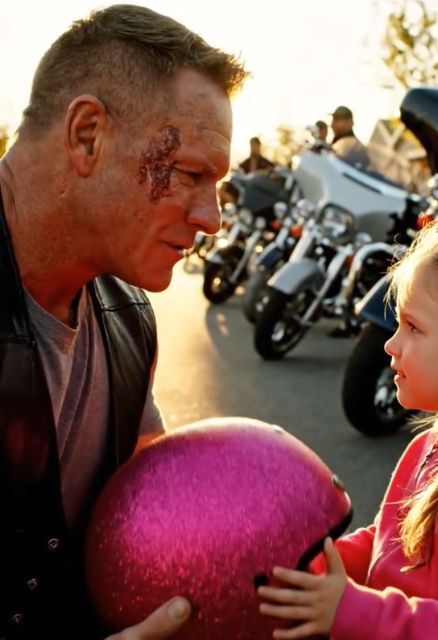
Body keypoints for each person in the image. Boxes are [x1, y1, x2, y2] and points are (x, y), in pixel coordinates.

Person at [0, 4, 246, 639]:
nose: (212, 218)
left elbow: (147, 515)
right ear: (88, 135)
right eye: (190, 173)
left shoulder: (129, 318)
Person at [257, 221, 438, 640]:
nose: (390, 344)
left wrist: (360, 612)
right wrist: (316, 566)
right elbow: (390, 543)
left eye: (413, 327)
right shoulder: (425, 446)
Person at [330, 105, 370, 170]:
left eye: (337, 119)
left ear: (349, 123)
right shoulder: (341, 141)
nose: (332, 124)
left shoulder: (350, 143)